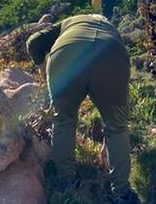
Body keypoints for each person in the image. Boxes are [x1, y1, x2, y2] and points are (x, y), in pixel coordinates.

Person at [26, 15, 139, 204]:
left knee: (63, 122)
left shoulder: (67, 23)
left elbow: (33, 42)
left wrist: (42, 68)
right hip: (110, 53)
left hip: (66, 54)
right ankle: (121, 193)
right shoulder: (109, 27)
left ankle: (65, 183)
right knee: (117, 128)